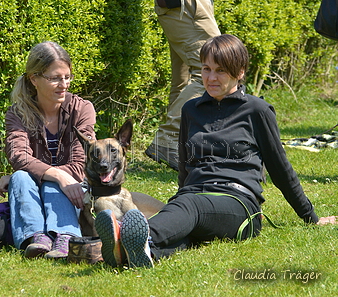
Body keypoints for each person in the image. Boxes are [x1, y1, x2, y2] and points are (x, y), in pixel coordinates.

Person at [95, 34, 338, 268]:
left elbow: (280, 168)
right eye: (206, 69)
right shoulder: (191, 109)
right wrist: (177, 202)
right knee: (184, 233)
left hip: (238, 203)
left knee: (190, 206)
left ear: (239, 72)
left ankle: (140, 237)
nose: (211, 77)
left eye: (220, 70)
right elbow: (185, 165)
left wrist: (311, 217)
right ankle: (133, 254)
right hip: (194, 197)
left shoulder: (257, 110)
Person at [0, 41, 96, 259]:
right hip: (40, 190)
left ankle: (66, 236)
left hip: (74, 192)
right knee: (21, 177)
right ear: (34, 79)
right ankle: (37, 237)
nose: (63, 84)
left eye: (67, 77)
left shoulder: (82, 109)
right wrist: (56, 175)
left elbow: (81, 164)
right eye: (54, 78)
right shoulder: (17, 114)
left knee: (27, 177)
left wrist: (53, 176)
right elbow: (19, 156)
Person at [145, 0, 221, 170]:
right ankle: (167, 140)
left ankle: (178, 143)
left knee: (183, 78)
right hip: (186, 8)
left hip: (182, 9)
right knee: (212, 73)